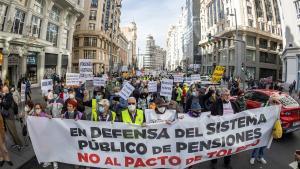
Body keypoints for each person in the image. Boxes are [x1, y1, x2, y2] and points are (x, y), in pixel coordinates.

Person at [210, 88, 241, 169]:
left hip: (230, 131)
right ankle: (214, 161)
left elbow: (239, 115)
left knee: (228, 146)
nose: (227, 96)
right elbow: (212, 113)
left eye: (228, 95)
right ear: (221, 95)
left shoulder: (234, 104)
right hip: (218, 130)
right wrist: (219, 100)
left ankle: (227, 162)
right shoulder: (216, 103)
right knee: (216, 146)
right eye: (225, 95)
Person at [249, 93, 281, 165]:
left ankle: (260, 157)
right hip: (262, 128)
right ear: (270, 100)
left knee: (264, 144)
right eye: (274, 101)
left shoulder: (277, 108)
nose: (275, 102)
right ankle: (253, 157)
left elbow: (278, 118)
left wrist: (278, 106)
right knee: (258, 143)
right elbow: (259, 115)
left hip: (270, 129)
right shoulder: (264, 105)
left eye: (276, 101)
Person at [0, 86, 23, 151]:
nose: (2, 91)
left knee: (13, 131)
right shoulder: (5, 96)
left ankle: (19, 144)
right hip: (6, 116)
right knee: (10, 132)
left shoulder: (9, 96)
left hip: (10, 116)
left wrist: (1, 102)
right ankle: (16, 143)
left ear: (6, 91)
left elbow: (7, 106)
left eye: (3, 91)